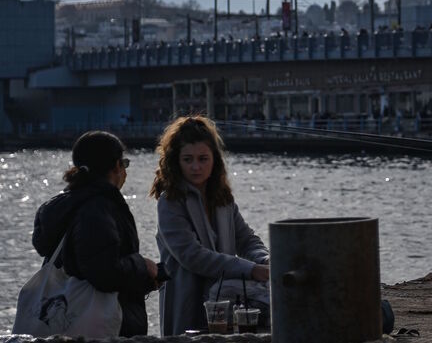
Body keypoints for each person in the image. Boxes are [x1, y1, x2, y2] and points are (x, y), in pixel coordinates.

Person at [31, 131, 158, 337]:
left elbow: (84, 264)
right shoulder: (98, 209)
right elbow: (104, 273)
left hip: (66, 321)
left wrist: (143, 280)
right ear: (116, 166)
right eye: (124, 164)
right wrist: (142, 266)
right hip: (102, 328)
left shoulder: (65, 205)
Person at [150, 116, 270, 336]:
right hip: (187, 304)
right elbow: (192, 255)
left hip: (225, 305)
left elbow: (246, 239)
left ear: (215, 159)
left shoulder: (223, 198)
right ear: (176, 161)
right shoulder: (170, 202)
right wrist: (251, 270)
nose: (196, 166)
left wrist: (265, 259)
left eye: (203, 158)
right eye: (188, 159)